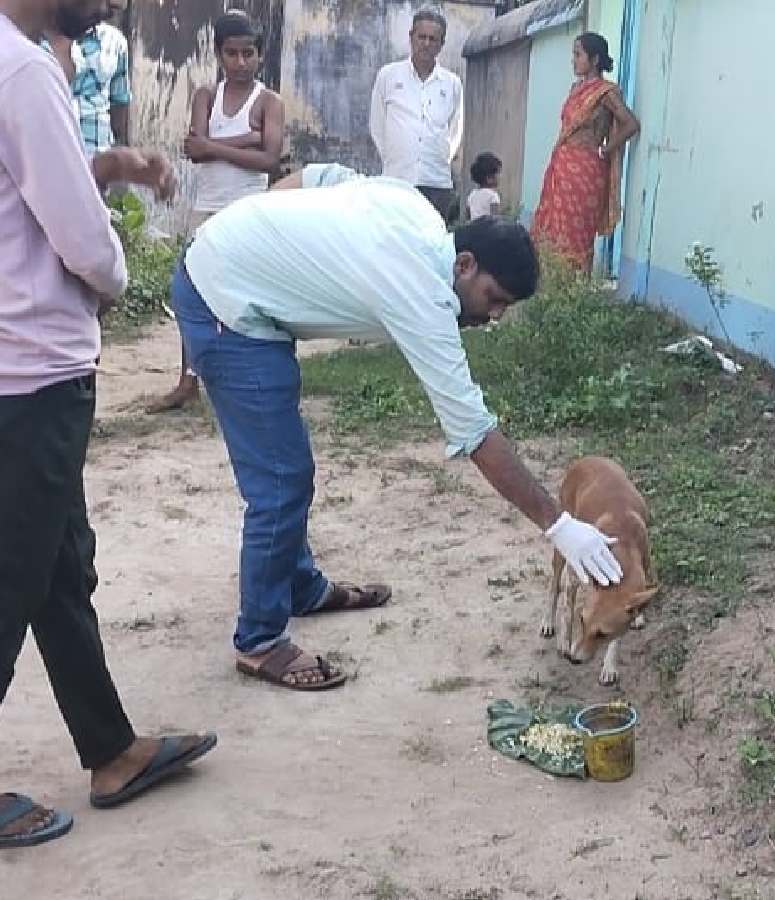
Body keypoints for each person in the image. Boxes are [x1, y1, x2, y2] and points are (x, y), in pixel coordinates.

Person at [171, 176, 624, 692]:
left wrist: (261, 229)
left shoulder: (419, 213)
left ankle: (298, 587)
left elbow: (320, 177)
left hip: (235, 268)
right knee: (279, 480)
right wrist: (559, 525)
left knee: (290, 467)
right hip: (224, 303)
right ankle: (259, 642)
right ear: (464, 265)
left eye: (505, 308)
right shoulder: (421, 293)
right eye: (493, 299)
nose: (494, 316)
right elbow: (473, 431)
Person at [0, 0, 215, 849]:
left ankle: (113, 750)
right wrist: (116, 276)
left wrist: (108, 161)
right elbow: (85, 244)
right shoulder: (24, 72)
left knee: (57, 568)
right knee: (14, 577)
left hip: (14, 365)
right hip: (32, 370)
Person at [147, 9, 285, 413]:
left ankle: (254, 377)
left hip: (249, 212)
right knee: (192, 293)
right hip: (206, 209)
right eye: (231, 54)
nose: (240, 63)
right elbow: (195, 152)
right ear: (218, 54)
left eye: (248, 54)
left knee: (253, 296)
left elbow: (270, 160)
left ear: (260, 55)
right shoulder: (206, 96)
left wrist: (218, 146)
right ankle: (188, 380)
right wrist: (248, 139)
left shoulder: (268, 101)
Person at [531, 33, 640, 273]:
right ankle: (555, 286)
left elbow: (630, 124)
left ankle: (578, 290)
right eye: (574, 54)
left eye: (578, 55)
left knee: (578, 233)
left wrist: (605, 149)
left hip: (586, 171)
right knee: (555, 230)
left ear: (595, 59)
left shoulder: (606, 92)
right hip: (562, 168)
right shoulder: (575, 88)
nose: (573, 60)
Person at [369, 8, 462, 223]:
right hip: (397, 180)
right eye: (422, 37)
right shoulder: (388, 76)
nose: (426, 43)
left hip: (436, 183)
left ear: (441, 44)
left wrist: (440, 159)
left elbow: (455, 131)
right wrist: (395, 160)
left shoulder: (452, 83)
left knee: (432, 245)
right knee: (394, 240)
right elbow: (378, 126)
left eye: (433, 39)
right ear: (411, 37)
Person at [43, 0, 130, 155]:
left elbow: (120, 106)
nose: (107, 11)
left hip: (96, 168)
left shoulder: (114, 42)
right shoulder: (24, 44)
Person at [467, 151, 502, 220]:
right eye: (498, 173)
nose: (500, 176)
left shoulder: (472, 195)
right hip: (488, 230)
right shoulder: (493, 196)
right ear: (489, 178)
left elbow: (468, 217)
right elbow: (495, 220)